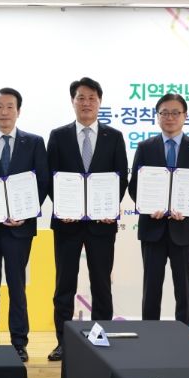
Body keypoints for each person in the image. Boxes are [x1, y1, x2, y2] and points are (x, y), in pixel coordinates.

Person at [46, 77, 128, 361]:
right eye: (81, 97)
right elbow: (51, 177)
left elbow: (121, 177)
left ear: (99, 102)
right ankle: (63, 342)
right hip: (67, 225)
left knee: (101, 285)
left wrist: (108, 209)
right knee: (64, 285)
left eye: (92, 98)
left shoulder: (113, 137)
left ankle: (100, 341)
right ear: (73, 101)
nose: (86, 103)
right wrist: (63, 207)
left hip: (101, 225)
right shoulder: (58, 136)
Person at [0, 88, 49, 362]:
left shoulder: (34, 142)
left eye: (9, 107)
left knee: (17, 285)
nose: (4, 112)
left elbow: (42, 182)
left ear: (18, 111)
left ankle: (19, 342)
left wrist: (26, 214)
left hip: (20, 228)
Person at [128, 93, 189, 327]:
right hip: (152, 228)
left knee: (184, 289)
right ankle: (149, 336)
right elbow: (135, 186)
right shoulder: (145, 147)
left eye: (175, 113)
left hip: (185, 229)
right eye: (164, 113)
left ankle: (186, 336)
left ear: (185, 116)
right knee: (151, 288)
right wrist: (147, 206)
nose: (170, 117)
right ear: (157, 116)